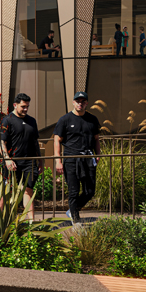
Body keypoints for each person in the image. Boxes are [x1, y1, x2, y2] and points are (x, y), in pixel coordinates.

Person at [53, 92, 101, 226]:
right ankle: (76, 219)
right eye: (77, 101)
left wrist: (98, 154)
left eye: (83, 101)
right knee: (73, 191)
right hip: (71, 159)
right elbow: (57, 140)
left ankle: (72, 210)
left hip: (88, 158)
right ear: (73, 102)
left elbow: (97, 139)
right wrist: (58, 161)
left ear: (86, 103)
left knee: (90, 191)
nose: (80, 103)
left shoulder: (92, 119)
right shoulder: (65, 119)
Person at [0, 94, 41, 222]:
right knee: (6, 191)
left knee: (28, 190)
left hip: (29, 162)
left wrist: (40, 161)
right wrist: (7, 159)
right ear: (15, 105)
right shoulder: (7, 120)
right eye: (23, 106)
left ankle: (31, 222)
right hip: (12, 161)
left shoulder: (32, 121)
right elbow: (1, 142)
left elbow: (35, 142)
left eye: (27, 107)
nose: (25, 109)